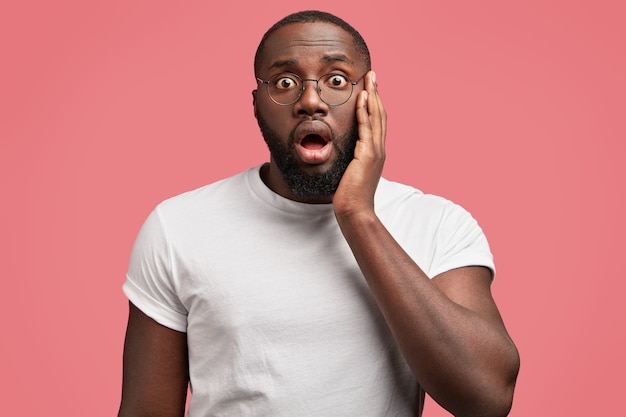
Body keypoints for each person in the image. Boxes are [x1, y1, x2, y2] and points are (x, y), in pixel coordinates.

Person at [118, 10, 519, 417]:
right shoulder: (179, 227)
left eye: (337, 81)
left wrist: (358, 215)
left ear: (371, 98)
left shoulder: (437, 225)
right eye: (285, 83)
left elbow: (486, 398)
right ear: (257, 104)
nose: (310, 101)